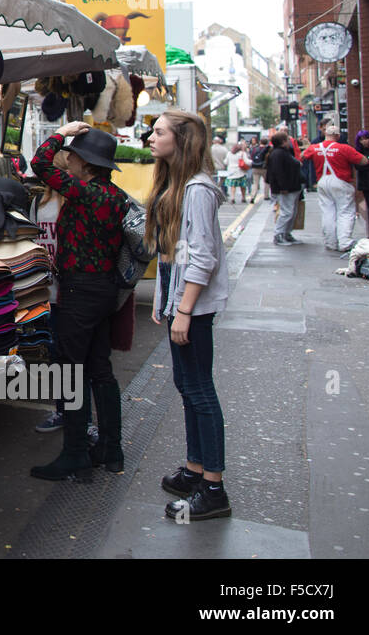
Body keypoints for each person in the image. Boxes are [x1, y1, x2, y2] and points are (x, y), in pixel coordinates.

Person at [28, 121, 128, 481]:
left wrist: (62, 131)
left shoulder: (85, 193)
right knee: (100, 369)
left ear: (85, 163)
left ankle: (74, 454)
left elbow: (38, 163)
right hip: (104, 290)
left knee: (69, 370)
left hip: (79, 291)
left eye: (70, 154)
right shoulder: (115, 196)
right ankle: (111, 449)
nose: (65, 158)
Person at [146, 109, 231, 521]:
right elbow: (171, 255)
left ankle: (214, 488)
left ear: (181, 141)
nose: (150, 136)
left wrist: (183, 309)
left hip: (192, 307)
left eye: (159, 131)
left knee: (200, 391)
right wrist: (166, 300)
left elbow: (202, 257)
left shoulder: (197, 189)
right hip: (181, 302)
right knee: (187, 385)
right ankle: (197, 469)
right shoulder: (177, 184)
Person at [308, 125, 369, 251]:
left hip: (323, 181)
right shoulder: (344, 148)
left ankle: (330, 242)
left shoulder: (315, 148)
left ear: (325, 134)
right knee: (345, 212)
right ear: (338, 135)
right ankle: (345, 242)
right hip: (341, 181)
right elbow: (364, 161)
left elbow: (303, 156)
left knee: (327, 212)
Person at [266, 131, 303, 246]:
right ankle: (279, 235)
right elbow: (278, 172)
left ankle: (286, 233)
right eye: (287, 140)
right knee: (286, 212)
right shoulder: (278, 154)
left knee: (291, 212)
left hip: (292, 187)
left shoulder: (281, 153)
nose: (289, 142)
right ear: (283, 142)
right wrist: (283, 187)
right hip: (287, 188)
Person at [249, 137, 269, 202]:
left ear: (260, 142)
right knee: (266, 182)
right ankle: (266, 195)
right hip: (264, 168)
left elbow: (251, 157)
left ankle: (253, 196)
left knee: (255, 183)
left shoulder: (255, 149)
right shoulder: (267, 149)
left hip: (255, 167)